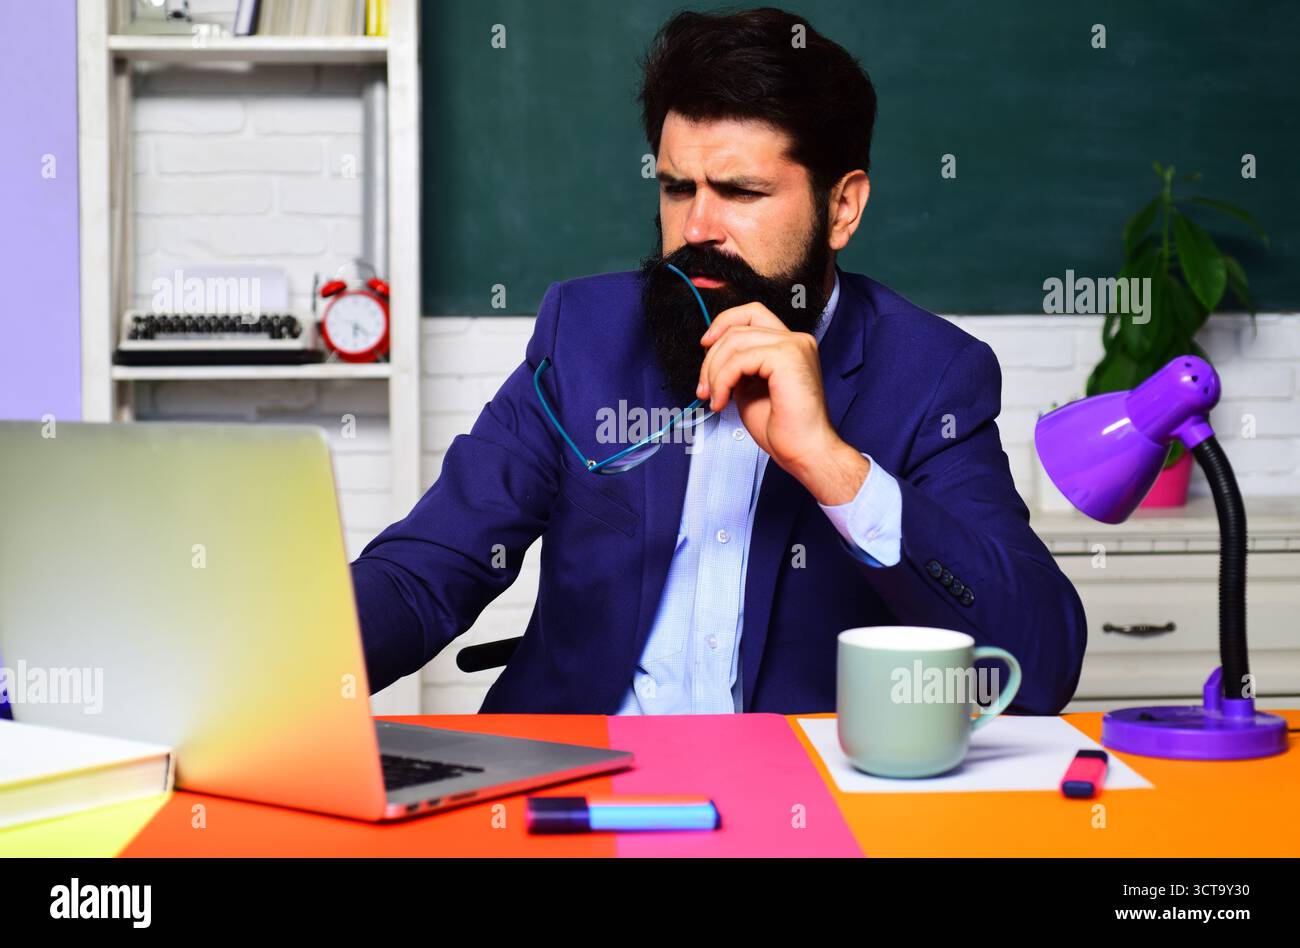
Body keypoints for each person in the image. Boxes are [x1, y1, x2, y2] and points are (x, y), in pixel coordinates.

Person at [350, 7, 1086, 715]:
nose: (698, 227)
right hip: (574, 781)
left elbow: (1039, 660)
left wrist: (831, 464)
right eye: (677, 188)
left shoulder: (932, 376)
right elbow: (426, 571)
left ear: (842, 209)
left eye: (741, 192)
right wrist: (280, 672)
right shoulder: (586, 333)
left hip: (792, 805)